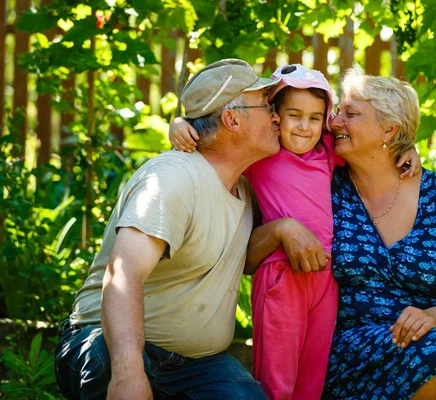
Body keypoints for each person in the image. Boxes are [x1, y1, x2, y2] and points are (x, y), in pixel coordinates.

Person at [250, 69, 436, 400]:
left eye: (350, 113)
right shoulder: (322, 183)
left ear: (389, 129)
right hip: (350, 348)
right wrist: (280, 229)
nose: (333, 121)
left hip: (430, 334)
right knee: (433, 361)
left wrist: (431, 317)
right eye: (337, 111)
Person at [168, 64, 422, 400]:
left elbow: (371, 143)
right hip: (280, 276)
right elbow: (214, 135)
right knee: (277, 378)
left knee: (312, 378)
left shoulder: (326, 152)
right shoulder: (264, 154)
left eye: (315, 118)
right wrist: (178, 125)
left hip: (326, 278)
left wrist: (408, 148)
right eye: (294, 115)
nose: (304, 127)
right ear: (275, 117)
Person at [54, 58, 281, 399]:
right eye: (267, 105)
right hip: (111, 344)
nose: (277, 115)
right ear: (232, 119)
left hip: (196, 364)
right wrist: (128, 373)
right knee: (116, 371)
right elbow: (124, 274)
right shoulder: (171, 179)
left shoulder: (245, 190)